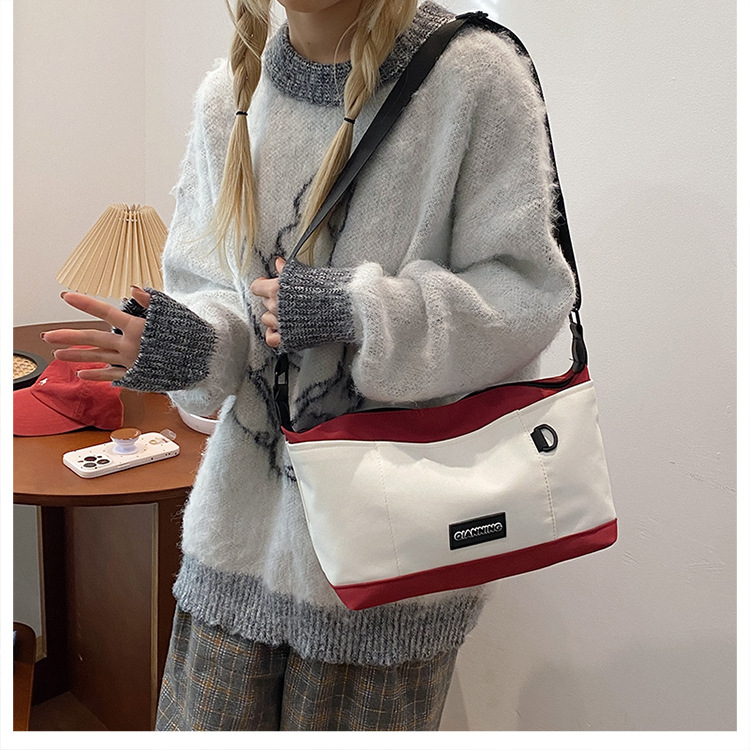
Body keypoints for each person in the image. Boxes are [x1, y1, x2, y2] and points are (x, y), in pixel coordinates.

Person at [43, 0, 576, 732]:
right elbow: (216, 295)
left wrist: (357, 309)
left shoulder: (473, 80)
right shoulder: (227, 99)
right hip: (235, 554)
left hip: (388, 580)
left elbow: (527, 296)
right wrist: (189, 345)